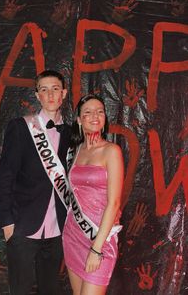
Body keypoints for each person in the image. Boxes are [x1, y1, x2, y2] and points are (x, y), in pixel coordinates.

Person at [0, 70, 70, 295]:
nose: (50, 94)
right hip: (23, 228)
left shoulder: (72, 133)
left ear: (63, 93)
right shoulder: (20, 127)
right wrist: (8, 224)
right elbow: (4, 177)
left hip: (57, 230)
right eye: (44, 89)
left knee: (51, 289)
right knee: (21, 290)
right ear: (37, 95)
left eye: (55, 89)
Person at [63, 94, 124, 295]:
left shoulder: (111, 151)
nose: (95, 116)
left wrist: (96, 249)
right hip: (73, 234)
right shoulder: (74, 151)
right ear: (79, 120)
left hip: (100, 237)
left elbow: (114, 203)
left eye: (100, 111)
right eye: (87, 112)